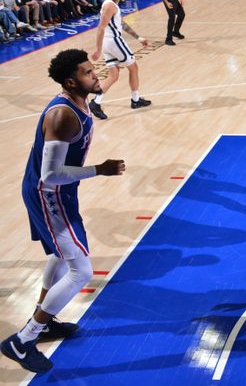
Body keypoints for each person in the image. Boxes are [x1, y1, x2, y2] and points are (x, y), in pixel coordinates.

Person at [0, 49, 125, 373]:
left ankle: (44, 320)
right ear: (71, 82)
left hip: (58, 190)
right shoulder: (63, 115)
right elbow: (50, 174)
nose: (95, 74)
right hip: (49, 192)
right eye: (87, 72)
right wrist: (100, 169)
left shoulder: (78, 102)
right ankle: (22, 340)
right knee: (81, 271)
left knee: (58, 255)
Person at [88, 0, 152, 120]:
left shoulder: (112, 6)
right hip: (114, 41)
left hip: (108, 43)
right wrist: (98, 50)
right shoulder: (110, 5)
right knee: (133, 68)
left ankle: (96, 102)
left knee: (114, 75)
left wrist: (138, 37)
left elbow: (121, 24)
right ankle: (135, 100)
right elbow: (100, 28)